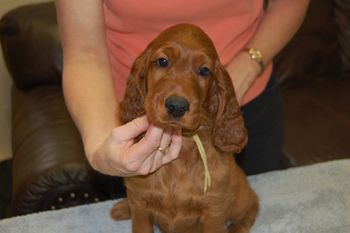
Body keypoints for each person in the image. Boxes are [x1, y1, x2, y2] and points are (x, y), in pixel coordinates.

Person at [54, 0, 310, 177]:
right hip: (137, 120)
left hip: (241, 102)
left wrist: (248, 66)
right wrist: (101, 147)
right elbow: (84, 54)